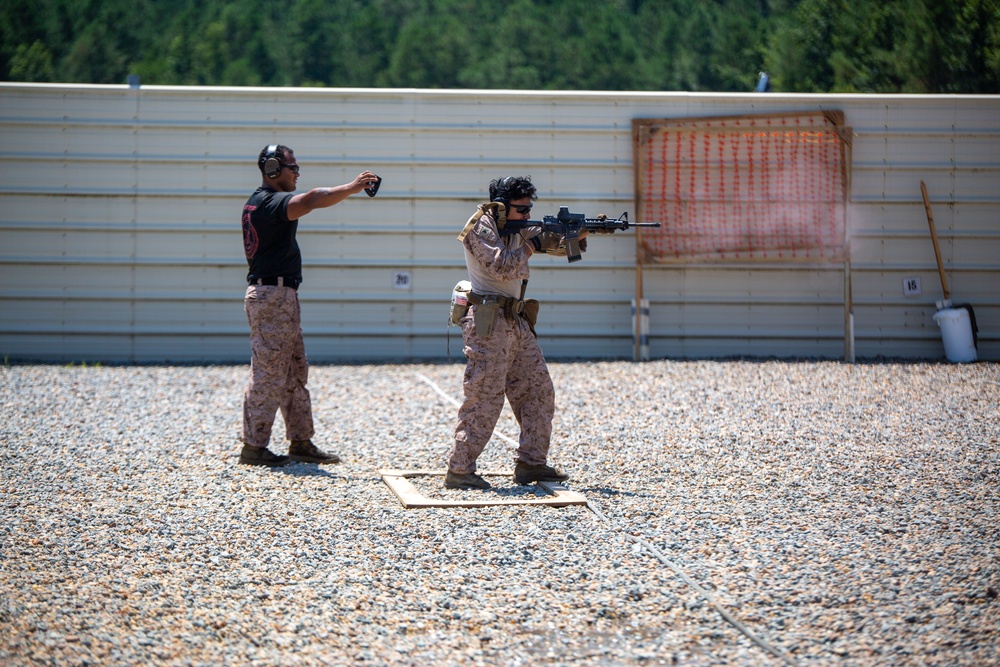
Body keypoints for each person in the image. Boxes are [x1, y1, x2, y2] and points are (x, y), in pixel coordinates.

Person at [238, 144, 379, 467]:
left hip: (280, 296)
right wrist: (352, 187)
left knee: (293, 371)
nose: (297, 174)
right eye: (293, 168)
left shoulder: (264, 201)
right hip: (272, 296)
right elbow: (314, 199)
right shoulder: (268, 202)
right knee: (267, 374)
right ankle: (253, 447)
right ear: (273, 169)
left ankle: (300, 441)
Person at [446, 176, 584, 489]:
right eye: (521, 209)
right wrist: (534, 244)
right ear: (501, 207)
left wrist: (578, 232)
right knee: (484, 395)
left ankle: (531, 463)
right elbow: (502, 266)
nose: (527, 215)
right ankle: (460, 470)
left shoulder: (516, 226)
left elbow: (557, 247)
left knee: (538, 390)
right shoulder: (481, 227)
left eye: (528, 208)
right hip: (488, 321)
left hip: (516, 319)